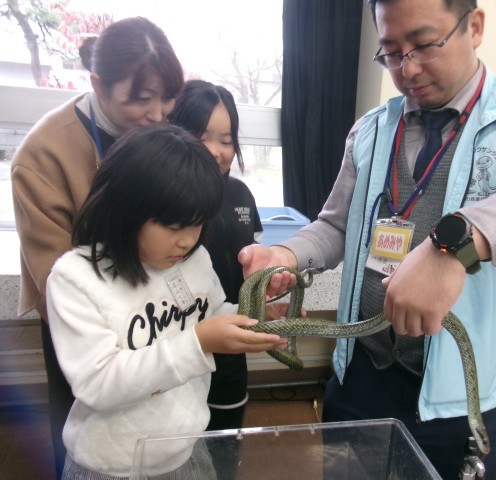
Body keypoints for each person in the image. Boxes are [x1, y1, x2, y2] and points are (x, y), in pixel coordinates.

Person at [238, 1, 496, 479]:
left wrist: (458, 243)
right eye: (391, 52)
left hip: (460, 402)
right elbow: (336, 226)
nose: (408, 69)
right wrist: (285, 253)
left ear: (475, 27)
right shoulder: (371, 130)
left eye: (424, 44)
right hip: (361, 378)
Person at [46, 124, 288, 479]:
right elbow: (98, 383)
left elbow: (211, 315)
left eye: (197, 225)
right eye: (174, 228)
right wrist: (199, 342)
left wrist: (254, 315)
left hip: (185, 448)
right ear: (124, 210)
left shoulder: (193, 259)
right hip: (111, 465)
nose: (187, 241)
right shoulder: (76, 278)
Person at [11, 17, 184, 479]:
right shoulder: (43, 155)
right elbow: (55, 280)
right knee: (87, 439)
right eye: (141, 99)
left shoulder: (164, 123)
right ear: (97, 85)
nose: (158, 114)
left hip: (158, 312)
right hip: (85, 323)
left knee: (160, 429)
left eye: (168, 97)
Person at [168, 80, 262, 477]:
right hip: (175, 357)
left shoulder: (240, 195)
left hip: (229, 350)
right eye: (201, 135)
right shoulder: (160, 199)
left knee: (223, 454)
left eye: (226, 139)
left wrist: (266, 300)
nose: (215, 150)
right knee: (175, 455)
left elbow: (253, 264)